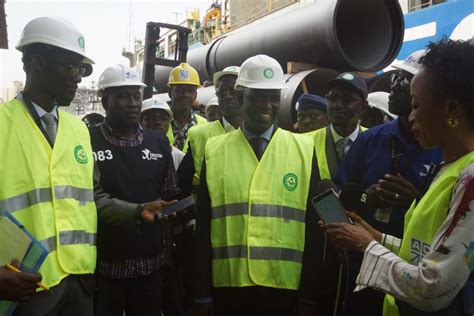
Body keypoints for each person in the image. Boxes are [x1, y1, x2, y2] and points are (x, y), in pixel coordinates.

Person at [322, 38, 474, 316]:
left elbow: (434, 286)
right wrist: (376, 237)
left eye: (416, 105)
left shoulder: (470, 179)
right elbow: (424, 254)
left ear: (452, 110)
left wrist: (364, 244)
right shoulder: (449, 167)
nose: (411, 117)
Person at [194, 55, 341, 316]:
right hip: (230, 287)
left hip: (285, 288)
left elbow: (315, 229)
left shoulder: (304, 149)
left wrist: (308, 295)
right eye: (258, 97)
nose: (267, 105)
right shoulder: (214, 150)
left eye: (273, 97)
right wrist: (203, 293)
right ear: (240, 98)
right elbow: (204, 226)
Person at [334, 50, 443, 316]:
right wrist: (364, 199)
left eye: (405, 80)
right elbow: (341, 193)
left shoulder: (445, 147)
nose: (394, 85)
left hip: (417, 271)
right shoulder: (371, 140)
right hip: (364, 266)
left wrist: (416, 202)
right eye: (395, 77)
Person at [0, 17, 96, 315]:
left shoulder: (79, 129)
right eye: (72, 67)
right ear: (37, 62)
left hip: (79, 282)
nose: (78, 78)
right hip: (26, 287)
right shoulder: (3, 125)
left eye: (82, 70)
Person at [91, 64, 180, 316]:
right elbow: (88, 200)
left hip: (151, 265)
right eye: (123, 96)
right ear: (105, 100)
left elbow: (169, 196)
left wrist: (168, 251)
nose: (132, 103)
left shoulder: (158, 142)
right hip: (106, 266)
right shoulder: (87, 141)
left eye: (136, 96)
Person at [307, 72, 368, 180]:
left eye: (347, 100)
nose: (337, 105)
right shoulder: (307, 142)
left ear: (363, 107)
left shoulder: (375, 141)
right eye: (333, 98)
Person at [166, 63, 207, 153]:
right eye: (179, 90)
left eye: (190, 90)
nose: (184, 95)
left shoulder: (205, 126)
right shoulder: (158, 123)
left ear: (195, 95)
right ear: (170, 93)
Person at [141, 95, 185, 169]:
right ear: (141, 122)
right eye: (151, 118)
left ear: (169, 123)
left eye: (163, 119)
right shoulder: (130, 152)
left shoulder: (179, 156)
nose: (158, 122)